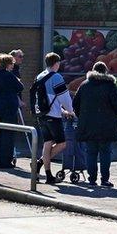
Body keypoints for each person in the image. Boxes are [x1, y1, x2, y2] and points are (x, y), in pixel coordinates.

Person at [74, 62, 117, 188]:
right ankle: (105, 179)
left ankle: (92, 179)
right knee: (105, 152)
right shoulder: (110, 86)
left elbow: (76, 104)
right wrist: (113, 117)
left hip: (88, 125)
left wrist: (83, 117)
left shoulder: (84, 85)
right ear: (105, 71)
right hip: (107, 126)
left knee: (90, 152)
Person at [33, 52, 75, 185]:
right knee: (62, 143)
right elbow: (64, 97)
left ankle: (48, 174)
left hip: (42, 115)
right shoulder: (56, 77)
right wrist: (70, 111)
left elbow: (47, 99)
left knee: (47, 143)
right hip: (53, 116)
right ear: (56, 63)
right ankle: (39, 163)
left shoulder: (40, 76)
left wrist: (62, 111)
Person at [0, 53, 23, 169]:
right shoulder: (8, 75)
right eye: (11, 63)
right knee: (8, 134)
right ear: (7, 64)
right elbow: (20, 87)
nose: (13, 66)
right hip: (8, 108)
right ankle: (5, 161)